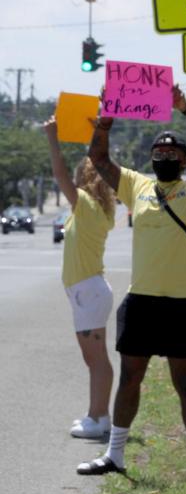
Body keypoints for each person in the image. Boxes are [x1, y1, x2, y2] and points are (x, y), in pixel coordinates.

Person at [76, 85, 186, 485]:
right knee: (130, 379)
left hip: (182, 303)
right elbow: (99, 158)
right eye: (158, 153)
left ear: (183, 159)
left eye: (172, 153)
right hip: (141, 301)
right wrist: (105, 118)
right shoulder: (137, 186)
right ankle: (115, 455)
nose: (163, 157)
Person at [43, 115, 116, 439]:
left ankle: (100, 418)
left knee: (97, 359)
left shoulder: (86, 205)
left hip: (89, 291)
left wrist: (53, 137)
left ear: (85, 178)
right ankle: (95, 414)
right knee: (94, 359)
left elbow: (59, 175)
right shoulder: (94, 209)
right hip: (86, 291)